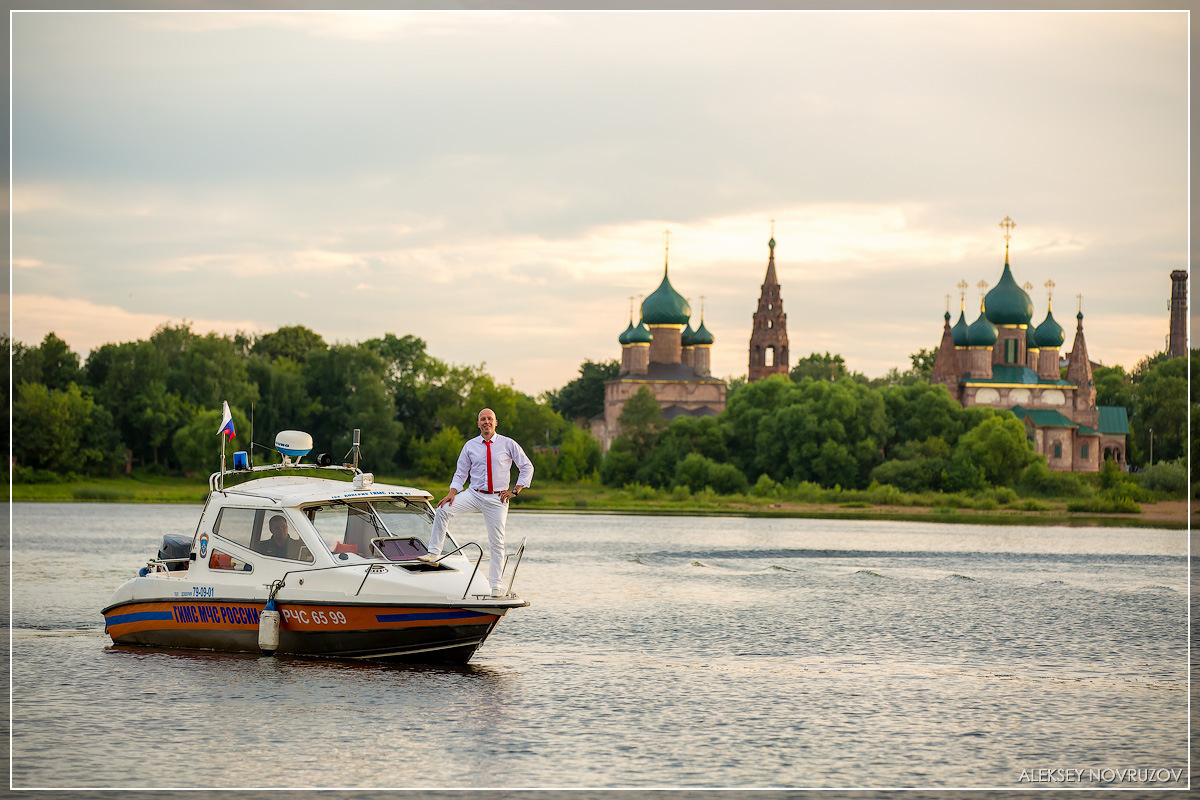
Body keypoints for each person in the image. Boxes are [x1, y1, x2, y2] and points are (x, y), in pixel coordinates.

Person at [419, 407, 534, 597]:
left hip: (498, 498)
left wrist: (516, 490)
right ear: (478, 423)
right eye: (482, 419)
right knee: (442, 509)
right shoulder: (470, 445)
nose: (486, 422)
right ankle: (433, 554)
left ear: (496, 423)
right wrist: (452, 492)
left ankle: (496, 585)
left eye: (489, 419)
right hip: (474, 493)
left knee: (497, 541)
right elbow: (461, 472)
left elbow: (526, 466)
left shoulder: (508, 444)